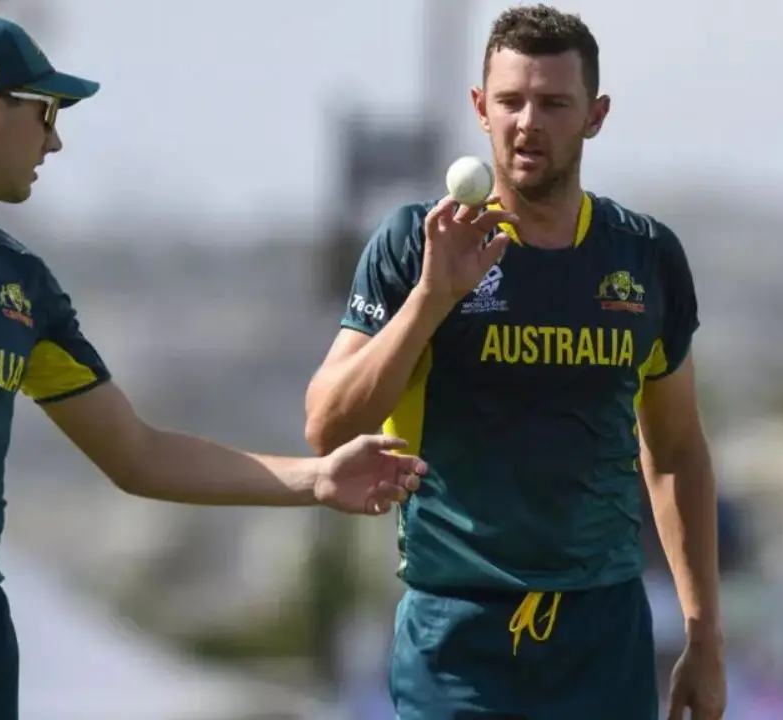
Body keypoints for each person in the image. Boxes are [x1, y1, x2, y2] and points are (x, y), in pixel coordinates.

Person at [0, 16, 424, 720]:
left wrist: (318, 478)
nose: (55, 140)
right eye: (45, 113)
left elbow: (137, 453)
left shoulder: (19, 282)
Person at [304, 5, 726, 719]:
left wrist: (704, 636)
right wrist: (432, 300)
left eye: (554, 103)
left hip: (602, 634)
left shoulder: (644, 255)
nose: (528, 122)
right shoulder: (415, 244)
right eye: (510, 101)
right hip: (457, 634)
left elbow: (677, 449)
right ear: (480, 109)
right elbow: (328, 426)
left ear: (595, 116)